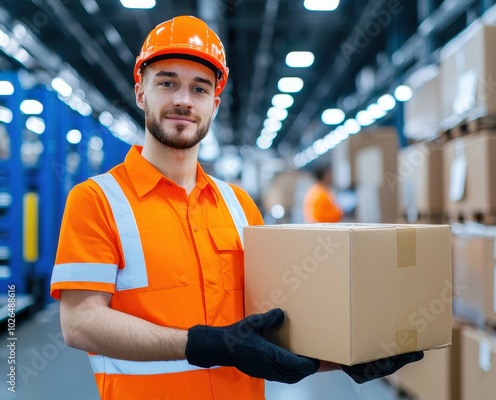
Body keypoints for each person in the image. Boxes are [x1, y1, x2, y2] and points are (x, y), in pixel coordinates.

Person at [49, 15, 423, 400]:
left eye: (199, 88)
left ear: (214, 102)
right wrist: (205, 345)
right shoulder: (97, 200)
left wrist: (347, 357)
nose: (182, 100)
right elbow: (80, 322)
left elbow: (272, 326)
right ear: (141, 92)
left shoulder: (239, 205)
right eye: (167, 82)